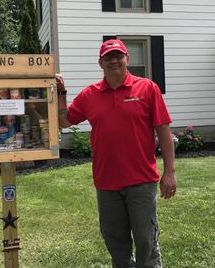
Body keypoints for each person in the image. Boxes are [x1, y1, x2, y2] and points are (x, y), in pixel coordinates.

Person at [55, 39, 176, 268]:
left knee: (146, 240)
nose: (114, 61)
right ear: (100, 63)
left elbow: (164, 130)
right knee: (115, 241)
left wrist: (170, 172)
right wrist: (61, 92)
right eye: (108, 57)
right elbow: (63, 120)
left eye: (118, 56)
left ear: (127, 59)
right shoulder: (90, 95)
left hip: (141, 180)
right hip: (106, 182)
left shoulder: (148, 88)